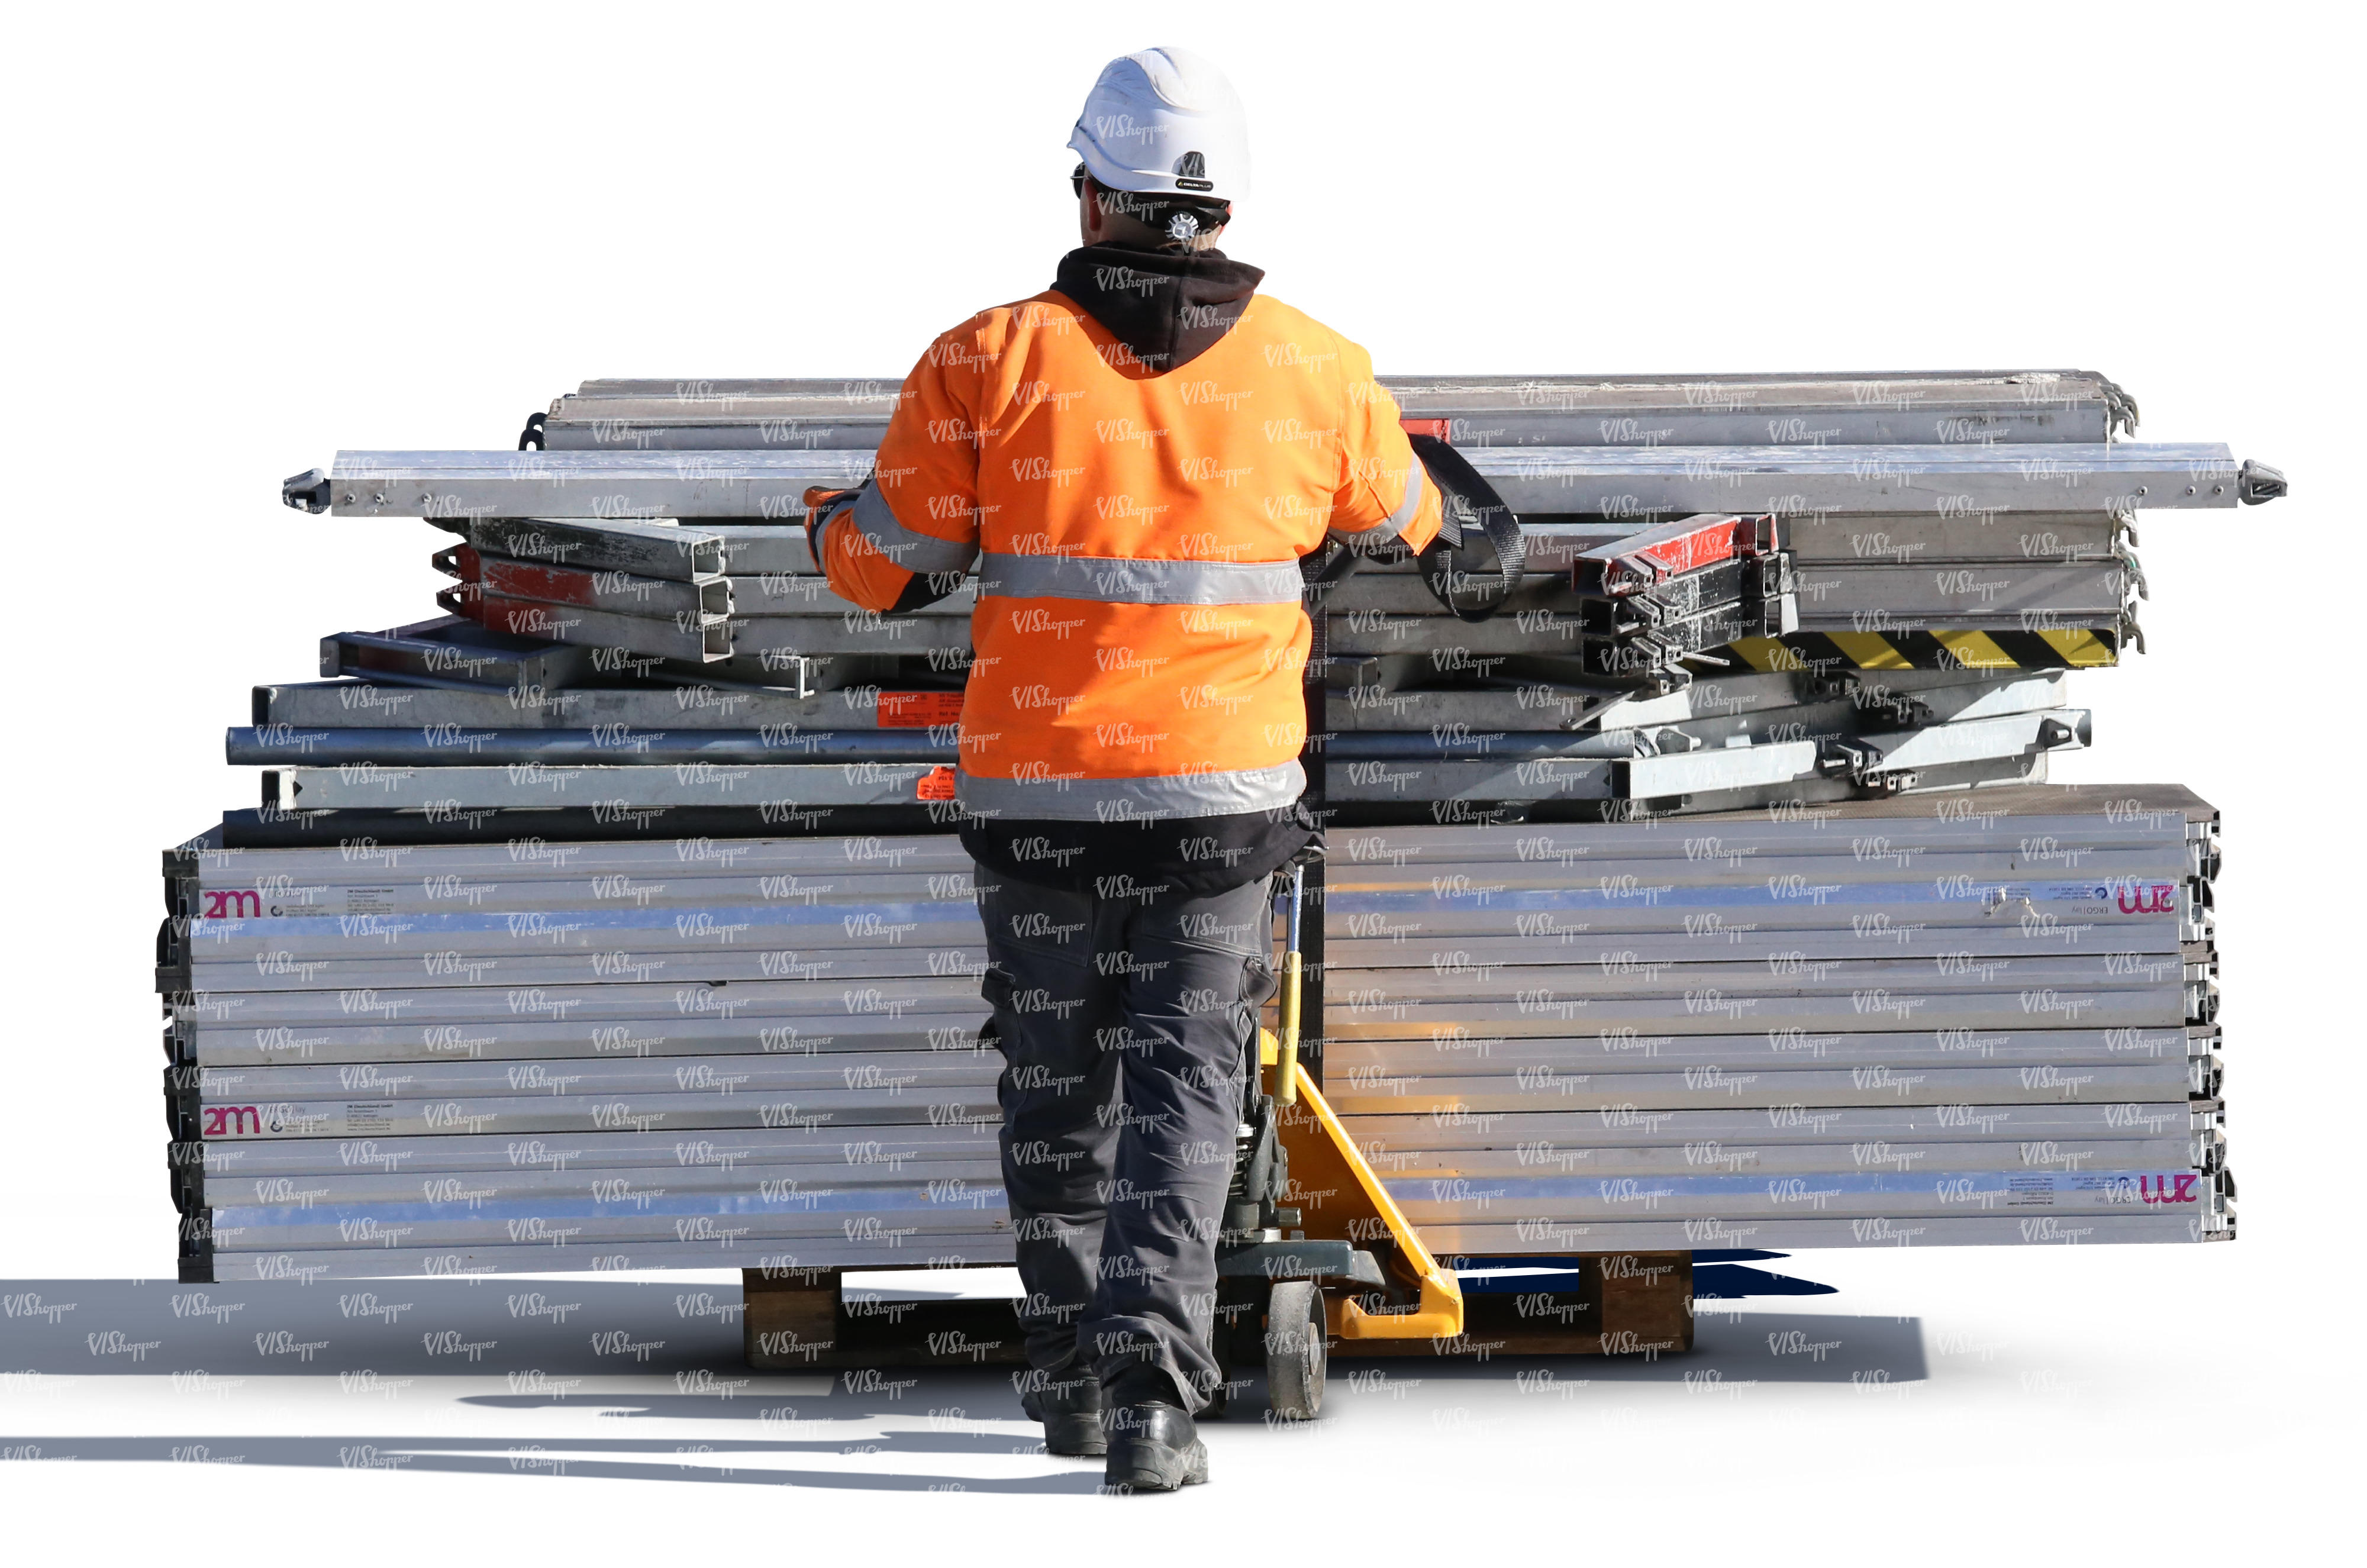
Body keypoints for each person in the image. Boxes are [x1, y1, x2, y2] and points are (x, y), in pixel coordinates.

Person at [809, 45, 1444, 1492]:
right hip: (1218, 810)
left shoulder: (985, 359)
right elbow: (1419, 525)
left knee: (1054, 1084)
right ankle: (1153, 1402)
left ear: (1090, 192)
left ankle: (1065, 1385)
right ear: (1219, 209)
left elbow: (879, 568)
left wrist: (823, 526)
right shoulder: (1314, 368)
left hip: (1037, 802)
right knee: (1183, 1088)